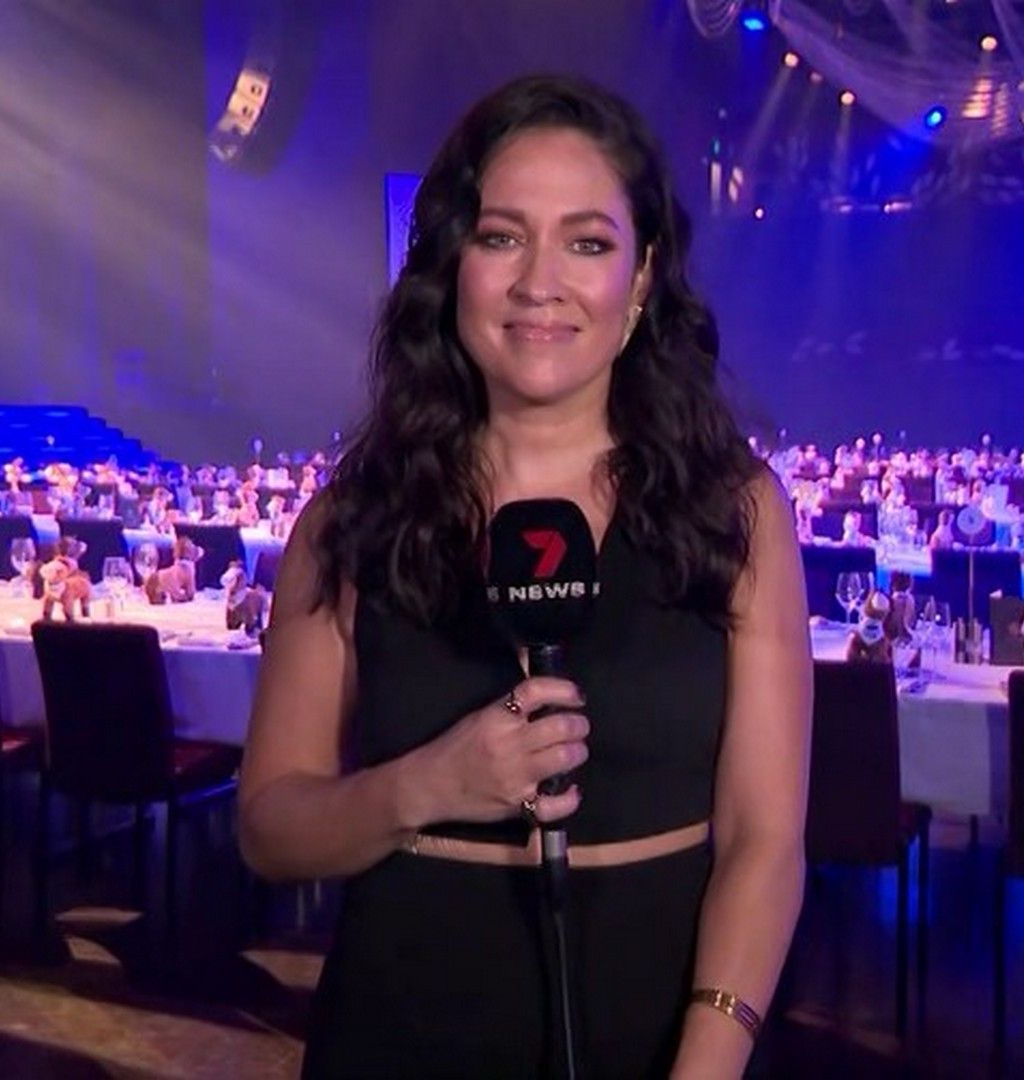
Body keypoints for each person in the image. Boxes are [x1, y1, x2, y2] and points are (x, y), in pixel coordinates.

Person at [238, 74, 810, 1078]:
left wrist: (707, 1065)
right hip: (400, 1032)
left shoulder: (738, 512)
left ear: (641, 279)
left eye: (587, 244)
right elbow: (271, 828)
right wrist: (428, 782)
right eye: (503, 236)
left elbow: (765, 839)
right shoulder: (350, 523)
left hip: (660, 1034)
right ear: (450, 264)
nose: (540, 282)